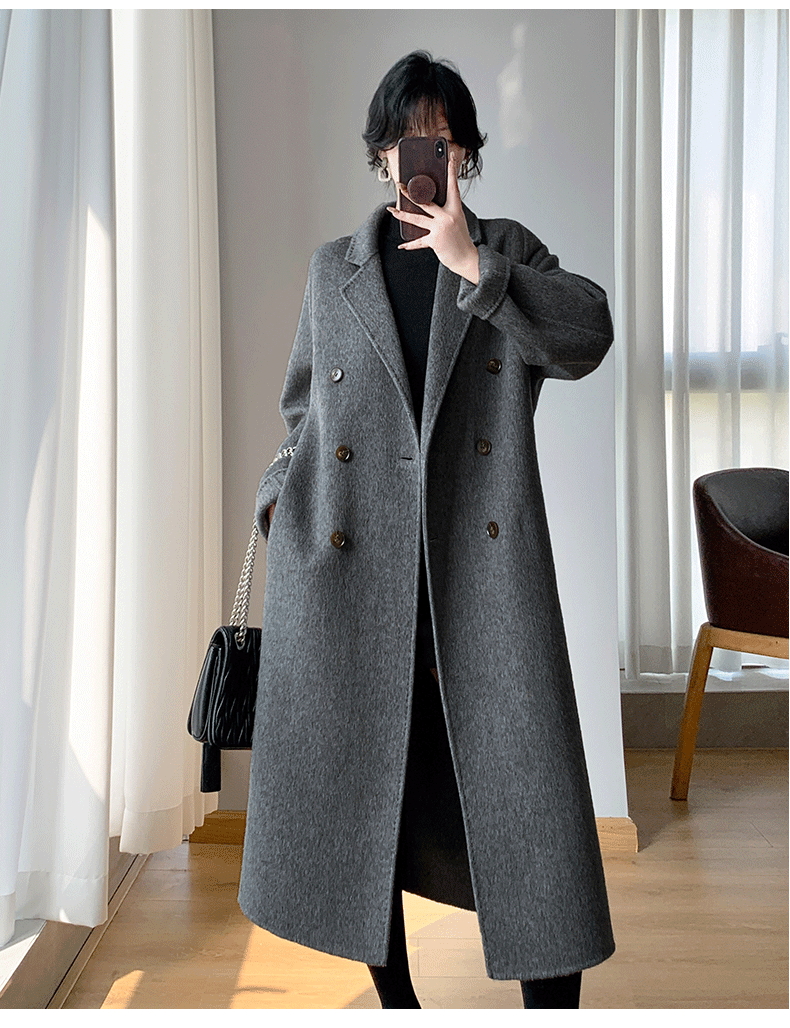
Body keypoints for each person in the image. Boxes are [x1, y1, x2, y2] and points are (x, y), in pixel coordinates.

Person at [240, 50, 616, 1010]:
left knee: (532, 817)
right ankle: (399, 1003)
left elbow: (590, 335)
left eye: (443, 143)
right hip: (353, 579)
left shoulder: (506, 253)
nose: (425, 158)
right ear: (380, 155)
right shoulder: (336, 270)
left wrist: (473, 267)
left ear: (466, 157)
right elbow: (304, 413)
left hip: (478, 582)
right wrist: (278, 494)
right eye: (410, 140)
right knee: (368, 812)